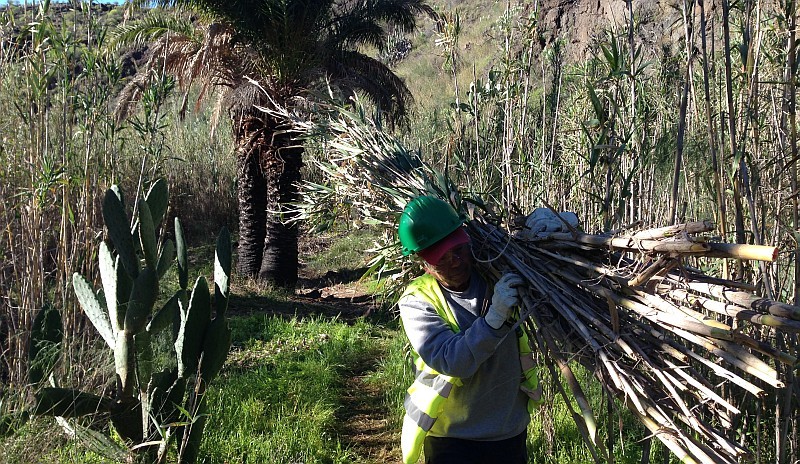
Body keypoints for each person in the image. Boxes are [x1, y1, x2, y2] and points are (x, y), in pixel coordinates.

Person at [396, 195, 542, 464]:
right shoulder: (417, 301)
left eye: (459, 249)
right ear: (424, 262)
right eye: (442, 257)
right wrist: (494, 318)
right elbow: (451, 361)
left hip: (508, 432)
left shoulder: (496, 274)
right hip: (453, 438)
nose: (455, 261)